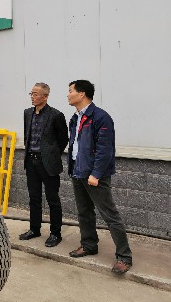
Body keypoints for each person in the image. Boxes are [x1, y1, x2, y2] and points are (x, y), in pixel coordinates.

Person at [66, 80, 133, 274]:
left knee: (110, 215)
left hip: (94, 175)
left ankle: (124, 256)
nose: (68, 95)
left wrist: (95, 174)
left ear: (82, 94)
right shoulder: (75, 118)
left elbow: (105, 150)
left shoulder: (101, 117)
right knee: (84, 212)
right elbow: (75, 146)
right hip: (78, 171)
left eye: (70, 91)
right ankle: (89, 245)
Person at [19, 83, 68, 247]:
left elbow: (63, 139)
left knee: (52, 199)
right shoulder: (27, 113)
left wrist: (51, 155)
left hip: (48, 163)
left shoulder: (56, 115)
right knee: (34, 198)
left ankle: (55, 233)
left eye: (36, 94)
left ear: (45, 97)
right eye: (31, 93)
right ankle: (34, 229)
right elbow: (27, 136)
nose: (32, 97)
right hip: (31, 162)